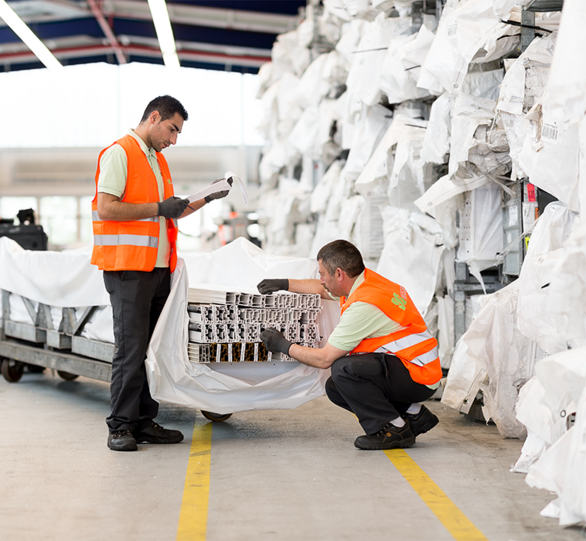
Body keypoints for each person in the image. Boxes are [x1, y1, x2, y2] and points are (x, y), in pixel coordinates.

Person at [91, 95, 231, 451]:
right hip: (128, 270)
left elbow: (170, 212)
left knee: (150, 349)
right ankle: (120, 427)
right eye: (172, 129)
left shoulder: (157, 161)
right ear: (154, 117)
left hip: (157, 271)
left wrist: (208, 197)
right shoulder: (119, 153)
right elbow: (107, 208)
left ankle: (143, 421)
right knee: (131, 350)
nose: (174, 139)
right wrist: (158, 206)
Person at [258, 239, 441, 450]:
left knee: (342, 369)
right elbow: (325, 290)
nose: (321, 280)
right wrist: (284, 284)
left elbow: (324, 359)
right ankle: (414, 414)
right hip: (413, 366)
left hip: (418, 375)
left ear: (339, 274)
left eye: (322, 274)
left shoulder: (364, 305)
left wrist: (283, 345)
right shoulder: (365, 282)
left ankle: (394, 429)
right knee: (335, 387)